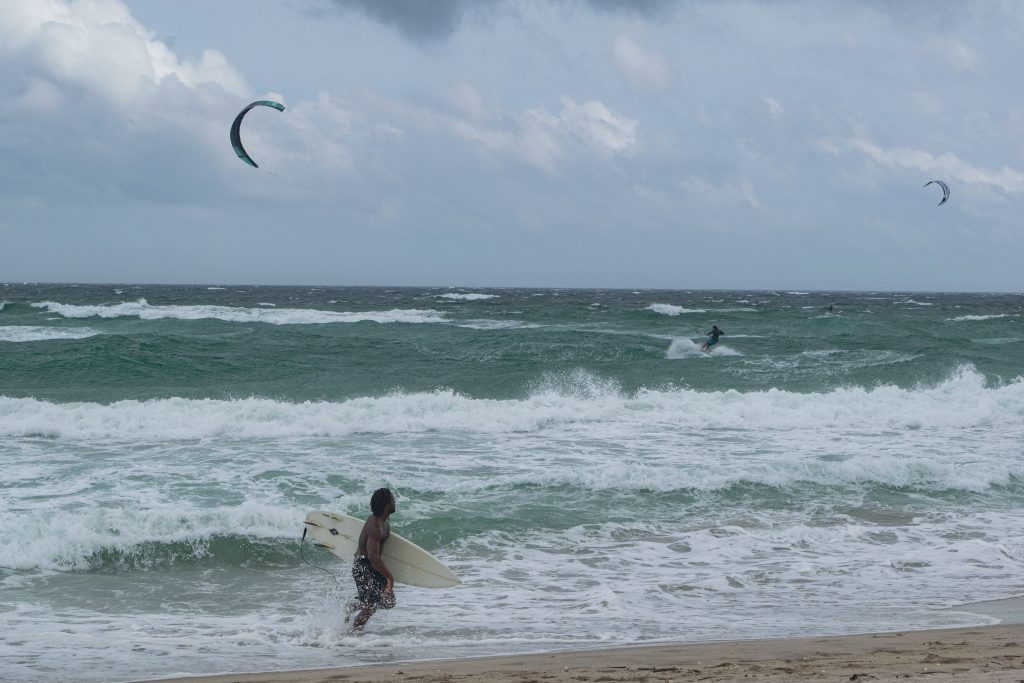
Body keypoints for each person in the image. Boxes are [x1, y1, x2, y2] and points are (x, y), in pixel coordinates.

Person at [347, 488, 397, 630]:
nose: (395, 502)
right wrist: (389, 577)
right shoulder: (375, 526)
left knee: (389, 602)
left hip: (373, 567)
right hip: (364, 567)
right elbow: (372, 556)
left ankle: (352, 607)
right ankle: (351, 636)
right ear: (387, 504)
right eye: (393, 500)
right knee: (371, 606)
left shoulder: (385, 519)